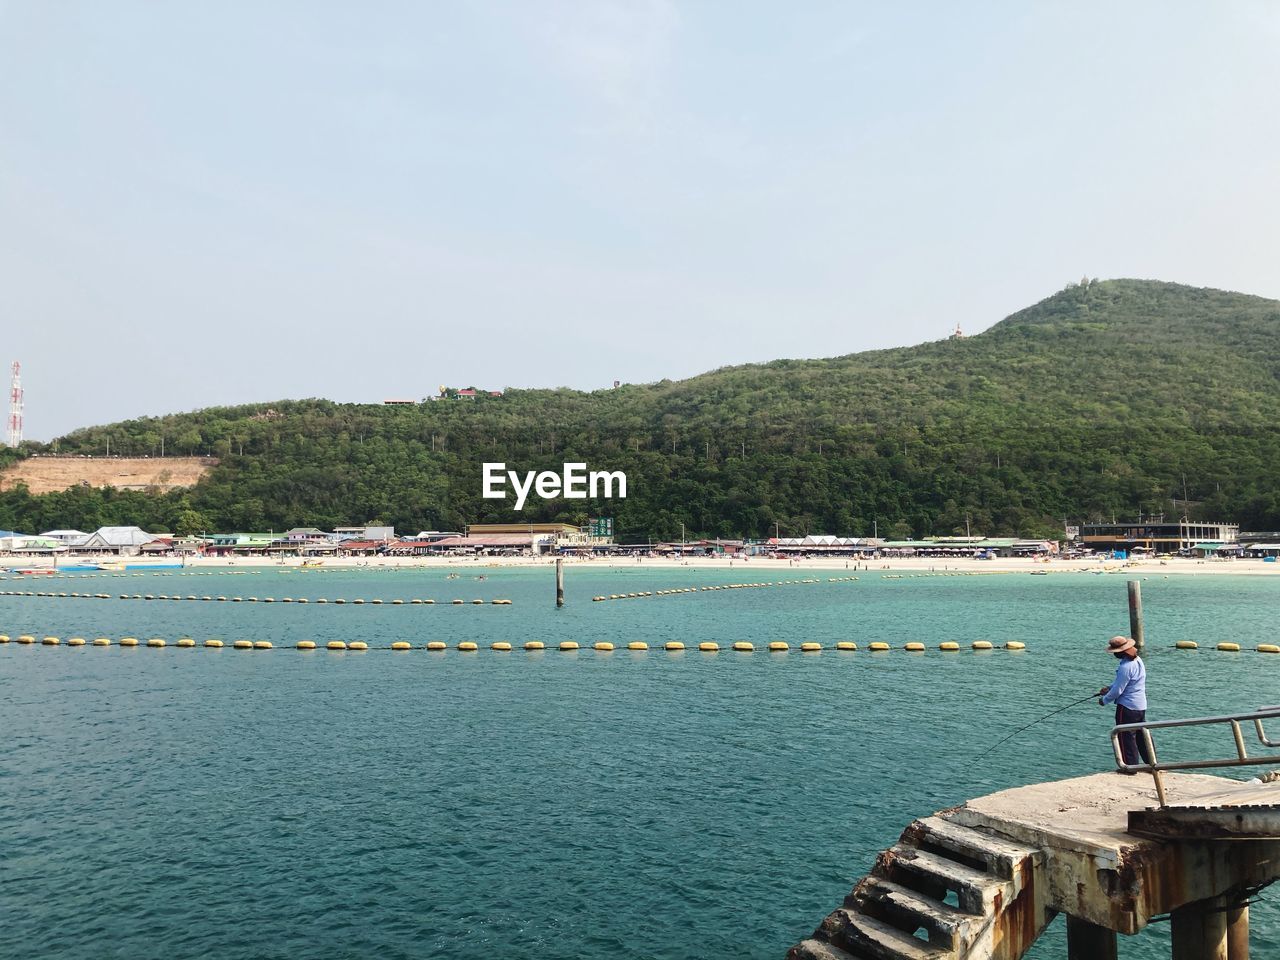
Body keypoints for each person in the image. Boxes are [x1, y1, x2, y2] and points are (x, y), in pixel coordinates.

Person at [1099, 635, 1151, 771]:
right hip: (1140, 706)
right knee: (1141, 736)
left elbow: (1119, 690)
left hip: (1127, 707)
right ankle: (1151, 763)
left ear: (1122, 652)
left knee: (1125, 737)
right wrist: (1109, 688)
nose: (1114, 655)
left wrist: (1104, 700)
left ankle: (1130, 767)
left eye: (1116, 652)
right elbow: (1124, 684)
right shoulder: (1138, 661)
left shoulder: (1125, 667)